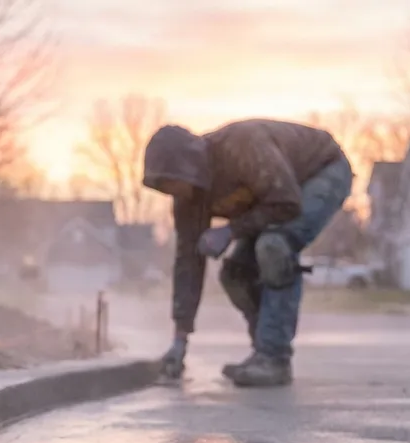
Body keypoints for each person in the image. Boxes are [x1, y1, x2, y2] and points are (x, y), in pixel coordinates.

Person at [142, 119, 353, 387]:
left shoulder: (242, 146)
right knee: (235, 274)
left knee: (274, 248)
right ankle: (262, 353)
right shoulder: (188, 200)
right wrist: (179, 340)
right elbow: (188, 263)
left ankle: (274, 359)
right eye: (164, 186)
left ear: (190, 165)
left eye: (173, 181)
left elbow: (286, 203)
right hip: (272, 200)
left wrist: (231, 231)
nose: (173, 191)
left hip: (320, 171)